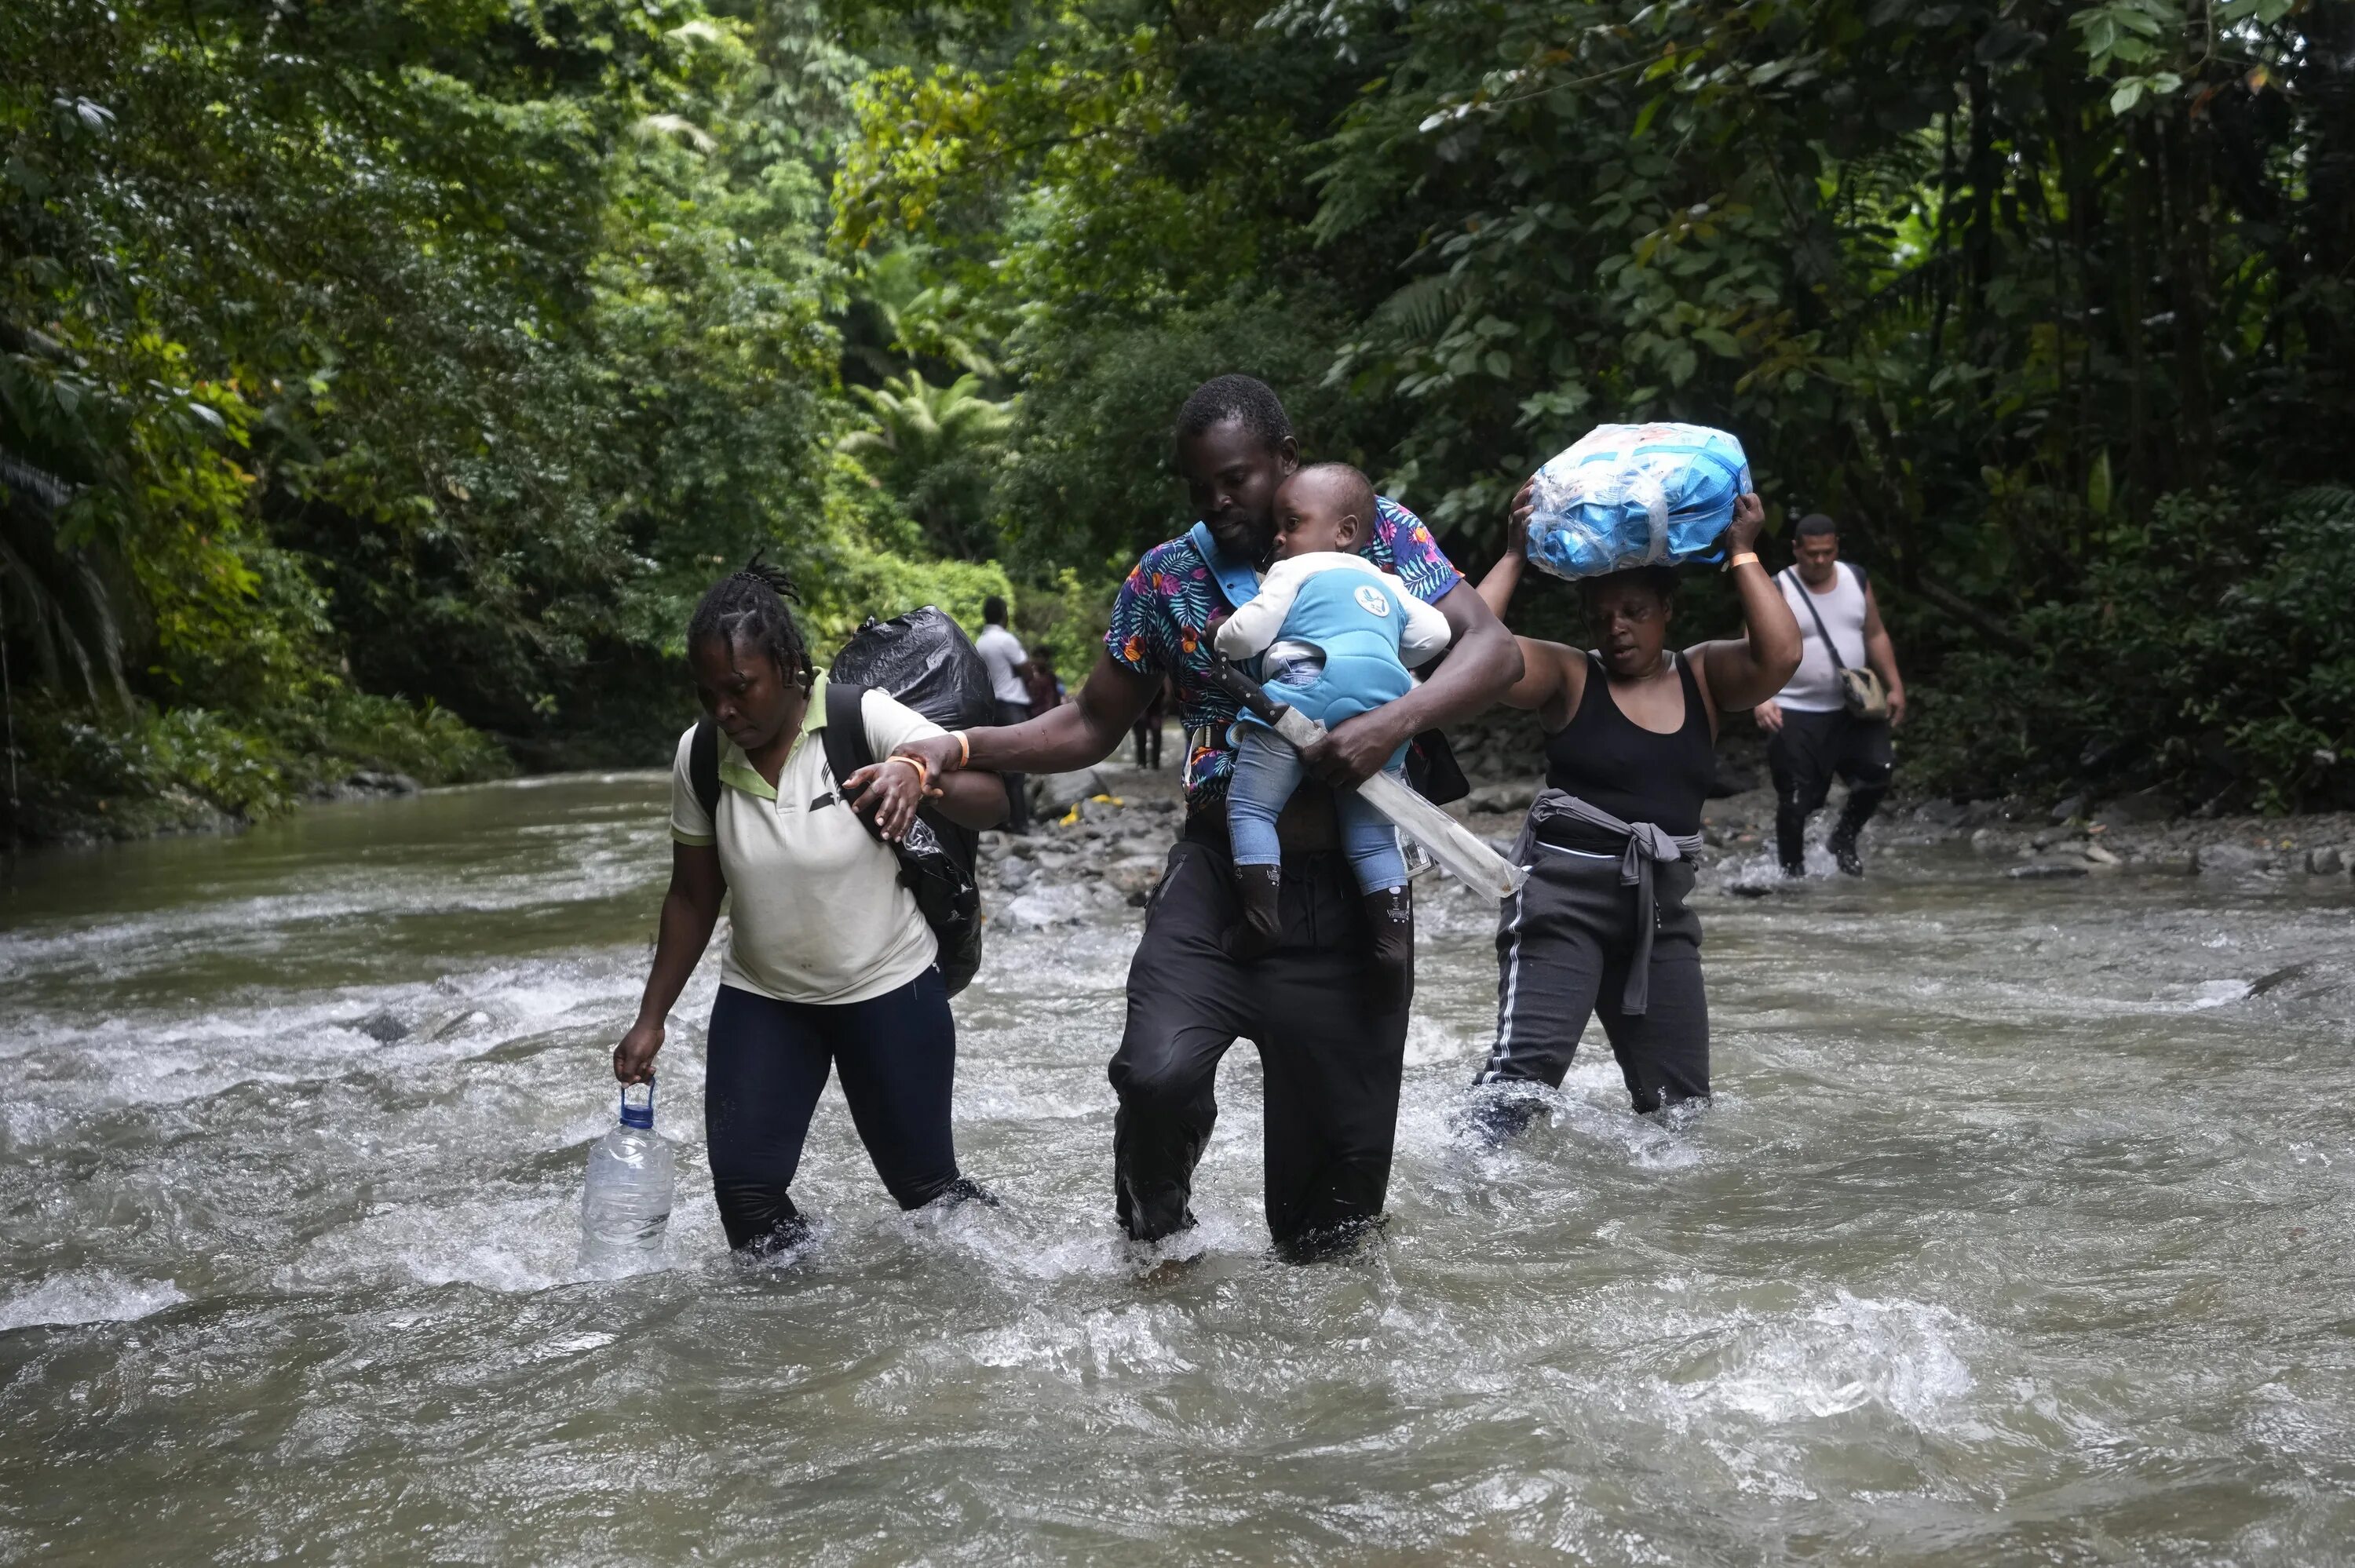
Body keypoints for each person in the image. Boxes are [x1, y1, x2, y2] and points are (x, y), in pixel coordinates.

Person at [888, 374, 1521, 1256]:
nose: (1219, 502)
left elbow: (1493, 653)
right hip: (1222, 871)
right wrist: (954, 747)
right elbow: (1088, 723)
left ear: (1286, 460)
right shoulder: (1168, 576)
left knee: (1329, 1231)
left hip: (1355, 892)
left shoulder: (1375, 532)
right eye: (1201, 487)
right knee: (1155, 1074)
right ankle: (1159, 1245)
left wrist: (1392, 724)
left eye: (1237, 480)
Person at [612, 561, 1009, 1256]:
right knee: (746, 1197)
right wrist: (651, 1019)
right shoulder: (702, 755)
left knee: (926, 1191)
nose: (725, 712)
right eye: (709, 696)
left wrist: (920, 777)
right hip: (764, 997)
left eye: (740, 690)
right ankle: (803, 1339)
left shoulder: (862, 717)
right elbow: (693, 895)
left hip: (887, 988)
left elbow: (996, 798)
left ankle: (1018, 1267)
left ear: (790, 666)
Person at [1470, 487, 1799, 1133]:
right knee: (1520, 1086)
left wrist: (1743, 554)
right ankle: (1466, 1188)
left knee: (1684, 1112)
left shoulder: (1703, 676)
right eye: (1601, 616)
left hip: (1658, 916)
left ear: (1667, 612)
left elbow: (1781, 655)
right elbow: (1472, 653)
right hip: (1560, 906)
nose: (1616, 627)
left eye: (1634, 612)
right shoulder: (1568, 676)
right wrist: (1514, 553)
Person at [1212, 461, 1452, 1003]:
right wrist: (1385, 644)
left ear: (1343, 532)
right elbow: (1436, 634)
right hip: (1382, 708)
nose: (1279, 536)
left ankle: (1260, 919)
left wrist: (1221, 637)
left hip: (1307, 687)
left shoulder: (1293, 570)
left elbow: (1249, 634)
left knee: (1252, 809)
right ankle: (1391, 942)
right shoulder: (1385, 580)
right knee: (1369, 837)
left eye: (1291, 522)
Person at [1754, 513, 1907, 877]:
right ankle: (1791, 874)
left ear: (1836, 546)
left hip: (1852, 709)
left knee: (1878, 772)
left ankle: (1843, 838)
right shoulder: (1778, 587)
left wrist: (1895, 685)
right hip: (1794, 708)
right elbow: (1751, 646)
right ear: (1796, 549)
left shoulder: (1855, 578)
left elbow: (1875, 634)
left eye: (1827, 552)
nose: (1820, 561)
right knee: (1796, 799)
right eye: (1812, 554)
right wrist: (1760, 698)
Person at [974, 596, 1033, 834]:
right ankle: (1020, 822)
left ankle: (1000, 820)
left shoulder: (981, 642)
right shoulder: (1005, 640)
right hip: (1011, 705)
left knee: (996, 765)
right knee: (1017, 766)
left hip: (992, 707)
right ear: (1003, 614)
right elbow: (1027, 669)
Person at [1130, 679, 1167, 770]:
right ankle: (1141, 762)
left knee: (1156, 734)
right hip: (1139, 707)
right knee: (1141, 735)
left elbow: (1161, 693)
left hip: (1154, 707)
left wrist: (1157, 713)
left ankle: (1155, 763)